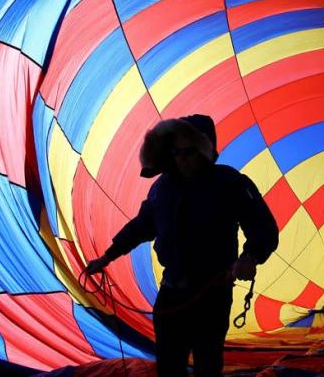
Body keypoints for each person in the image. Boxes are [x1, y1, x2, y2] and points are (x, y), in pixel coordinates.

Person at [85, 114, 279, 376]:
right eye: (176, 152)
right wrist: (107, 257)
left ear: (204, 151)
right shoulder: (162, 189)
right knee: (168, 365)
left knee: (207, 364)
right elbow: (141, 226)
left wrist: (250, 257)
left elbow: (262, 226)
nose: (182, 159)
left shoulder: (229, 182)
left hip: (211, 294)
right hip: (171, 294)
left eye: (188, 152)